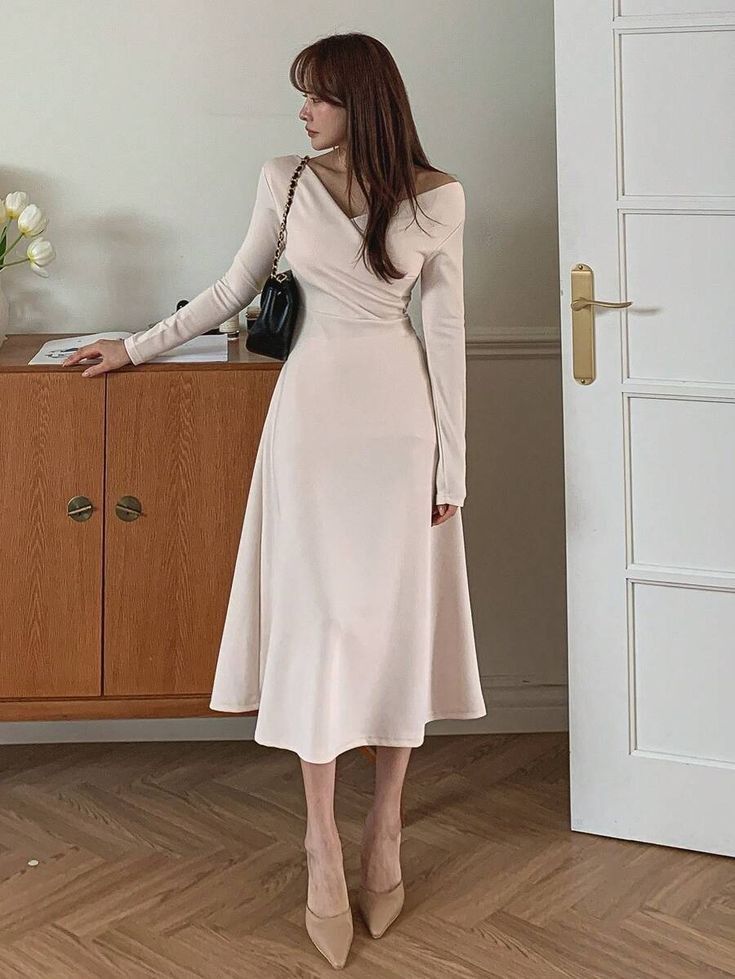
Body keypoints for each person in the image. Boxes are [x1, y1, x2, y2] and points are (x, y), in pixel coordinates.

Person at [63, 31, 487, 970]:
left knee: (391, 628)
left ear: (362, 101)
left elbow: (447, 332)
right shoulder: (283, 179)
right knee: (319, 627)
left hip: (398, 429)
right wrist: (134, 345)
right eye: (302, 98)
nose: (303, 113)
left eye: (319, 98)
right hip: (309, 430)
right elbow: (231, 286)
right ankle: (320, 844)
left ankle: (384, 828)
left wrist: (451, 469)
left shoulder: (438, 195)